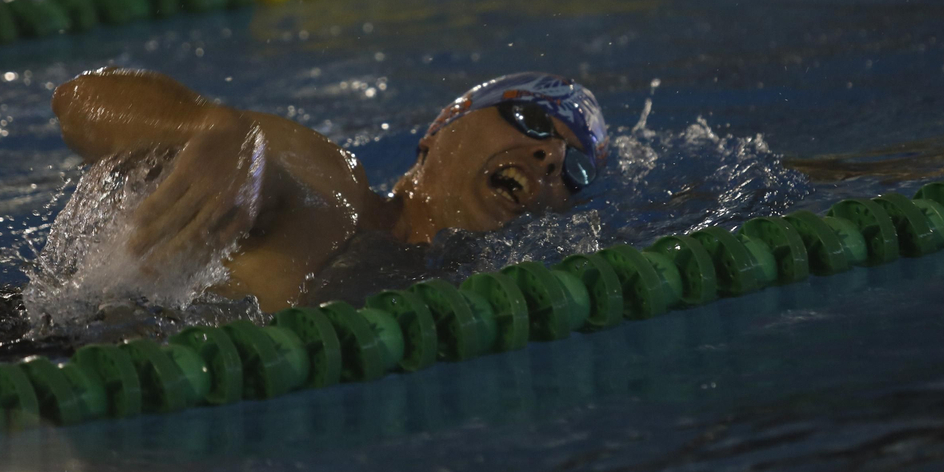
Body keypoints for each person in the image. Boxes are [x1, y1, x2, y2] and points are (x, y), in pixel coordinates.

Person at [51, 68, 609, 312]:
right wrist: (218, 132)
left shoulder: (478, 293)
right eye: (532, 122)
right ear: (441, 129)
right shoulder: (329, 191)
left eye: (574, 171)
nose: (551, 156)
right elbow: (77, 101)